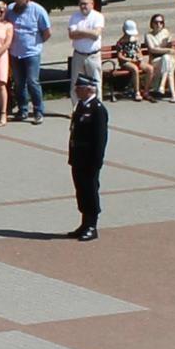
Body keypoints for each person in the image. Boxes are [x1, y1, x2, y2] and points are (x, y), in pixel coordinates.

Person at [65, 89, 108, 239]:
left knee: (90, 191)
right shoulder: (81, 106)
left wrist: (97, 161)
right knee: (81, 191)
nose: (76, 90)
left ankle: (92, 225)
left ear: (89, 89)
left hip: (90, 160)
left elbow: (100, 139)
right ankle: (84, 224)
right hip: (78, 157)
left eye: (79, 87)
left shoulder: (97, 109)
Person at [9, 0, 51, 121]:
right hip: (15, 53)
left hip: (32, 53)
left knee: (33, 81)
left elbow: (47, 32)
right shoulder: (10, 9)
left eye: (20, 1)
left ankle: (38, 111)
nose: (17, 4)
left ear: (27, 1)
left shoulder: (38, 10)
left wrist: (36, 44)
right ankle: (23, 109)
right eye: (16, 0)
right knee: (19, 83)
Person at [67, 0, 106, 101]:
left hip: (93, 56)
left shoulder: (98, 16)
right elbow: (71, 35)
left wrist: (80, 31)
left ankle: (97, 109)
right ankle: (76, 110)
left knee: (96, 84)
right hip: (78, 55)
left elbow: (95, 35)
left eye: (86, 3)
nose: (83, 6)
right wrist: (87, 33)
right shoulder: (74, 17)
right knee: (76, 85)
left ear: (92, 4)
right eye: (81, 4)